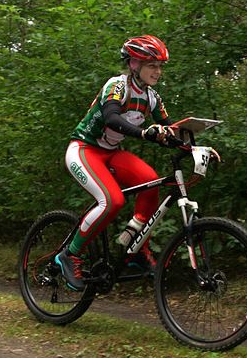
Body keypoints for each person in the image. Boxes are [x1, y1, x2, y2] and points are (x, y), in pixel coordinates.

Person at [55, 35, 177, 291]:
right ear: (134, 64)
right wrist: (144, 133)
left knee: (151, 182)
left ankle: (136, 247)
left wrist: (196, 146)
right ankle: (70, 254)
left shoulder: (152, 97)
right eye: (152, 65)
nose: (158, 70)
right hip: (84, 149)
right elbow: (111, 117)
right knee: (112, 201)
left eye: (160, 65)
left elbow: (170, 129)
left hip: (111, 152)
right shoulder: (118, 85)